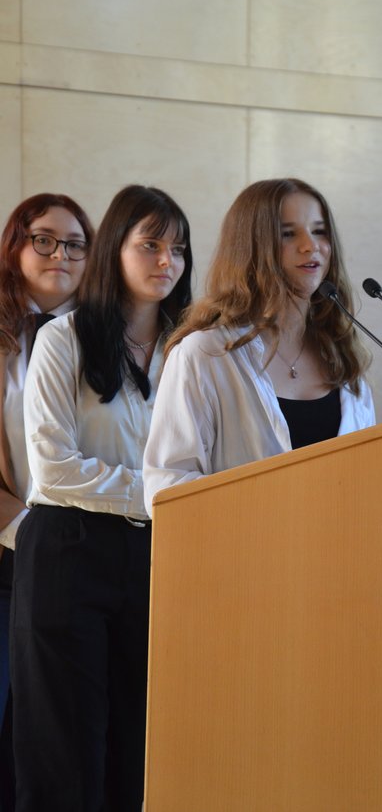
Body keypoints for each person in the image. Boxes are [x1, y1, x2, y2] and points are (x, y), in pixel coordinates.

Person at [11, 185, 192, 812]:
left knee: (141, 751)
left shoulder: (191, 350)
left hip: (161, 558)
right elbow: (53, 468)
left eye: (179, 249)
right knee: (64, 753)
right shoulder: (64, 338)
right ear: (115, 247)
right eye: (151, 245)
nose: (167, 261)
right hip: (69, 548)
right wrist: (165, 494)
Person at [143, 177, 375, 511]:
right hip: (242, 542)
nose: (310, 246)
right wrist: (265, 508)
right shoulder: (205, 354)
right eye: (288, 234)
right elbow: (166, 487)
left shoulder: (343, 360)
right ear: (251, 246)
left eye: (319, 231)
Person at [0, 193, 93, 812]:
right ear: (16, 246)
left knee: (54, 734)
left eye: (75, 243)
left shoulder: (105, 337)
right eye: (44, 239)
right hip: (9, 553)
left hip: (80, 558)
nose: (61, 253)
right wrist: (28, 531)